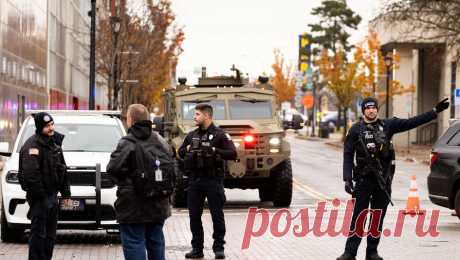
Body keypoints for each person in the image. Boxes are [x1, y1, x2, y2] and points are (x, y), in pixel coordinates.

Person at [337, 97, 450, 260]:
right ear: (363, 111)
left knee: (377, 217)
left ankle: (372, 252)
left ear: (377, 109)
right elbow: (348, 154)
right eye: (368, 108)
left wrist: (435, 111)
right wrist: (347, 178)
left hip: (382, 181)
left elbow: (412, 122)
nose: (371, 110)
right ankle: (350, 252)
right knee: (358, 218)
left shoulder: (388, 125)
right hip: (363, 180)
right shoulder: (355, 130)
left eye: (374, 108)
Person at [107, 104, 172, 260]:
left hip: (133, 206)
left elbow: (113, 169)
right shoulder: (160, 140)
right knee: (156, 242)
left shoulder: (127, 142)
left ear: (130, 120)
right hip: (158, 203)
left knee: (134, 242)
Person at [178, 104, 237, 259]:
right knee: (194, 216)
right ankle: (197, 249)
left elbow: (232, 153)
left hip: (213, 180)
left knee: (217, 215)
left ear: (207, 116)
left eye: (197, 114)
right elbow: (180, 151)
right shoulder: (191, 135)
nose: (194, 117)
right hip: (195, 180)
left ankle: (219, 248)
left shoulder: (220, 135)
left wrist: (214, 150)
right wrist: (189, 148)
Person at [19, 112, 71, 260]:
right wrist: (41, 198)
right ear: (40, 127)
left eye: (52, 124)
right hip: (39, 199)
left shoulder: (53, 144)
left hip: (52, 197)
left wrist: (66, 193)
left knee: (50, 237)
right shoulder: (32, 146)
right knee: (38, 238)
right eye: (47, 126)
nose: (51, 128)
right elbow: (31, 176)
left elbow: (62, 168)